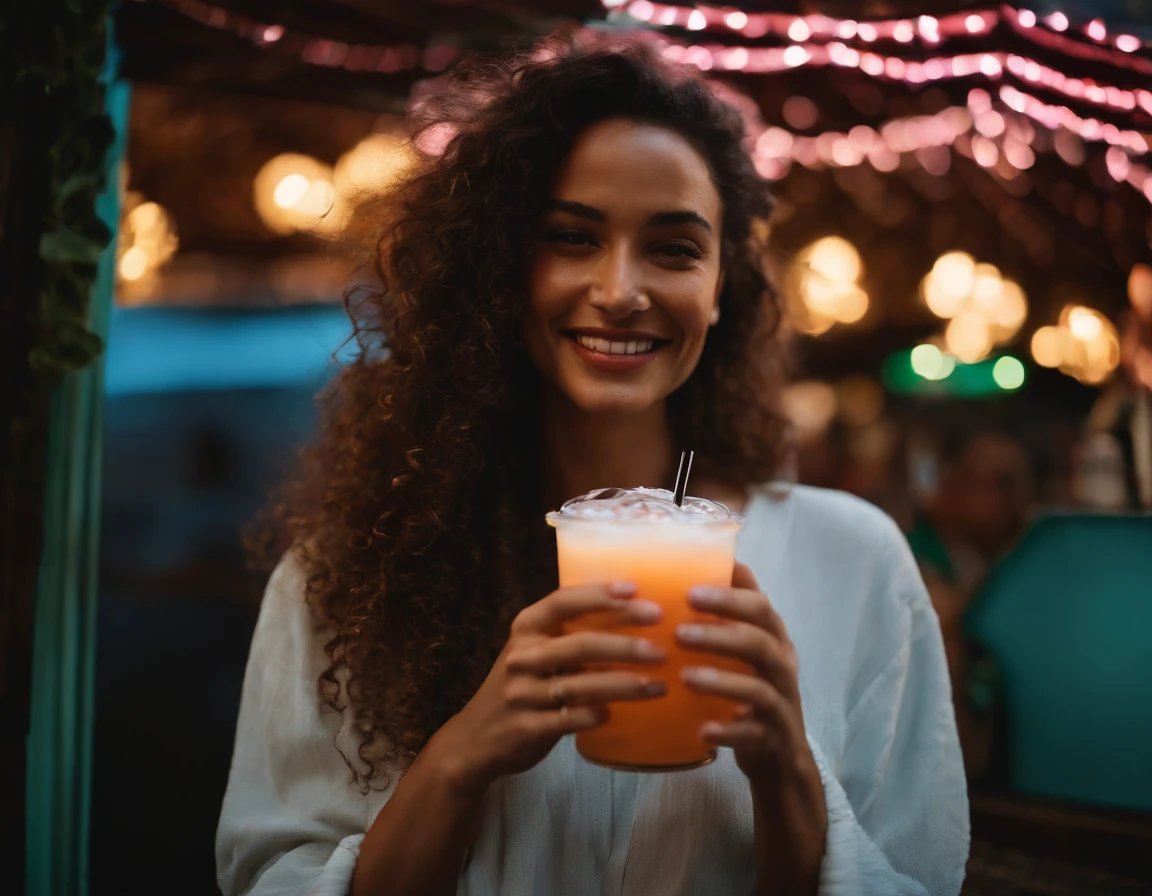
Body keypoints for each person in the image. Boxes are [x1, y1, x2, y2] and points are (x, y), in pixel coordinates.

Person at [217, 39, 968, 896]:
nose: (619, 290)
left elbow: (921, 877)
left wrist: (787, 773)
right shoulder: (346, 577)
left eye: (674, 249)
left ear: (723, 285)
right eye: (571, 238)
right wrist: (460, 760)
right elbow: (270, 879)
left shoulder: (856, 564)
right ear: (502, 268)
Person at [905, 425, 1034, 783]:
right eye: (1000, 483)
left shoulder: (1011, 558)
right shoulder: (911, 558)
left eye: (1018, 485)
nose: (1014, 500)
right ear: (950, 482)